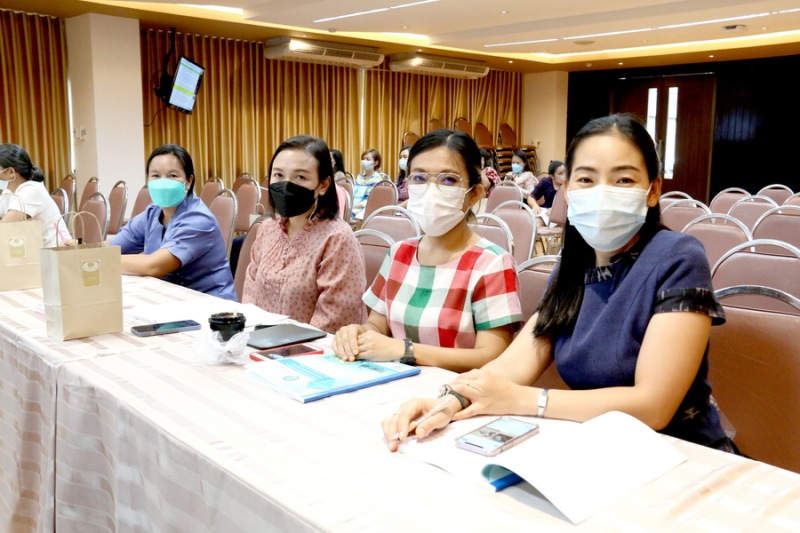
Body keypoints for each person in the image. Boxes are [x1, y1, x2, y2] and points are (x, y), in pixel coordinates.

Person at [383, 113, 737, 454]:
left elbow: (653, 406)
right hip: (597, 448)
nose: (603, 192)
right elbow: (515, 364)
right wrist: (448, 399)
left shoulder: (678, 256)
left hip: (683, 453)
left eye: (623, 180)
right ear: (566, 189)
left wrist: (525, 400)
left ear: (653, 190)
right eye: (586, 179)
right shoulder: (573, 266)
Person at [333, 129, 523, 373]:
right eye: (420, 178)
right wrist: (356, 334)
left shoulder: (492, 263)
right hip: (393, 384)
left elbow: (491, 357)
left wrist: (406, 350)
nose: (431, 190)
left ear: (474, 193)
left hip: (455, 390)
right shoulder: (399, 253)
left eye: (449, 180)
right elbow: (378, 328)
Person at [242, 135, 367, 334]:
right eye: (278, 175)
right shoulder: (267, 229)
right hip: (259, 342)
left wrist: (282, 347)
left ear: (323, 185)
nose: (286, 185)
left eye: (300, 177)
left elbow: (333, 320)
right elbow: (250, 296)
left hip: (310, 349)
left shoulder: (337, 239)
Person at [111, 144, 236, 301]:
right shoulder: (152, 213)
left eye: (172, 176)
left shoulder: (198, 219)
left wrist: (102, 260)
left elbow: (153, 266)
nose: (163, 182)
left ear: (188, 181)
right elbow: (112, 247)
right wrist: (88, 251)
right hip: (171, 298)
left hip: (210, 305)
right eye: (155, 176)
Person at [0, 143, 71, 247]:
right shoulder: (9, 191)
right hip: (36, 251)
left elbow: (5, 226)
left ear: (11, 172)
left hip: (55, 252)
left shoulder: (32, 190)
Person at [351, 148, 389, 220]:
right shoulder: (360, 177)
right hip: (354, 205)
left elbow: (373, 200)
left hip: (367, 208)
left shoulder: (378, 179)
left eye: (368, 159)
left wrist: (353, 206)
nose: (364, 161)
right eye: (363, 159)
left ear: (375, 163)